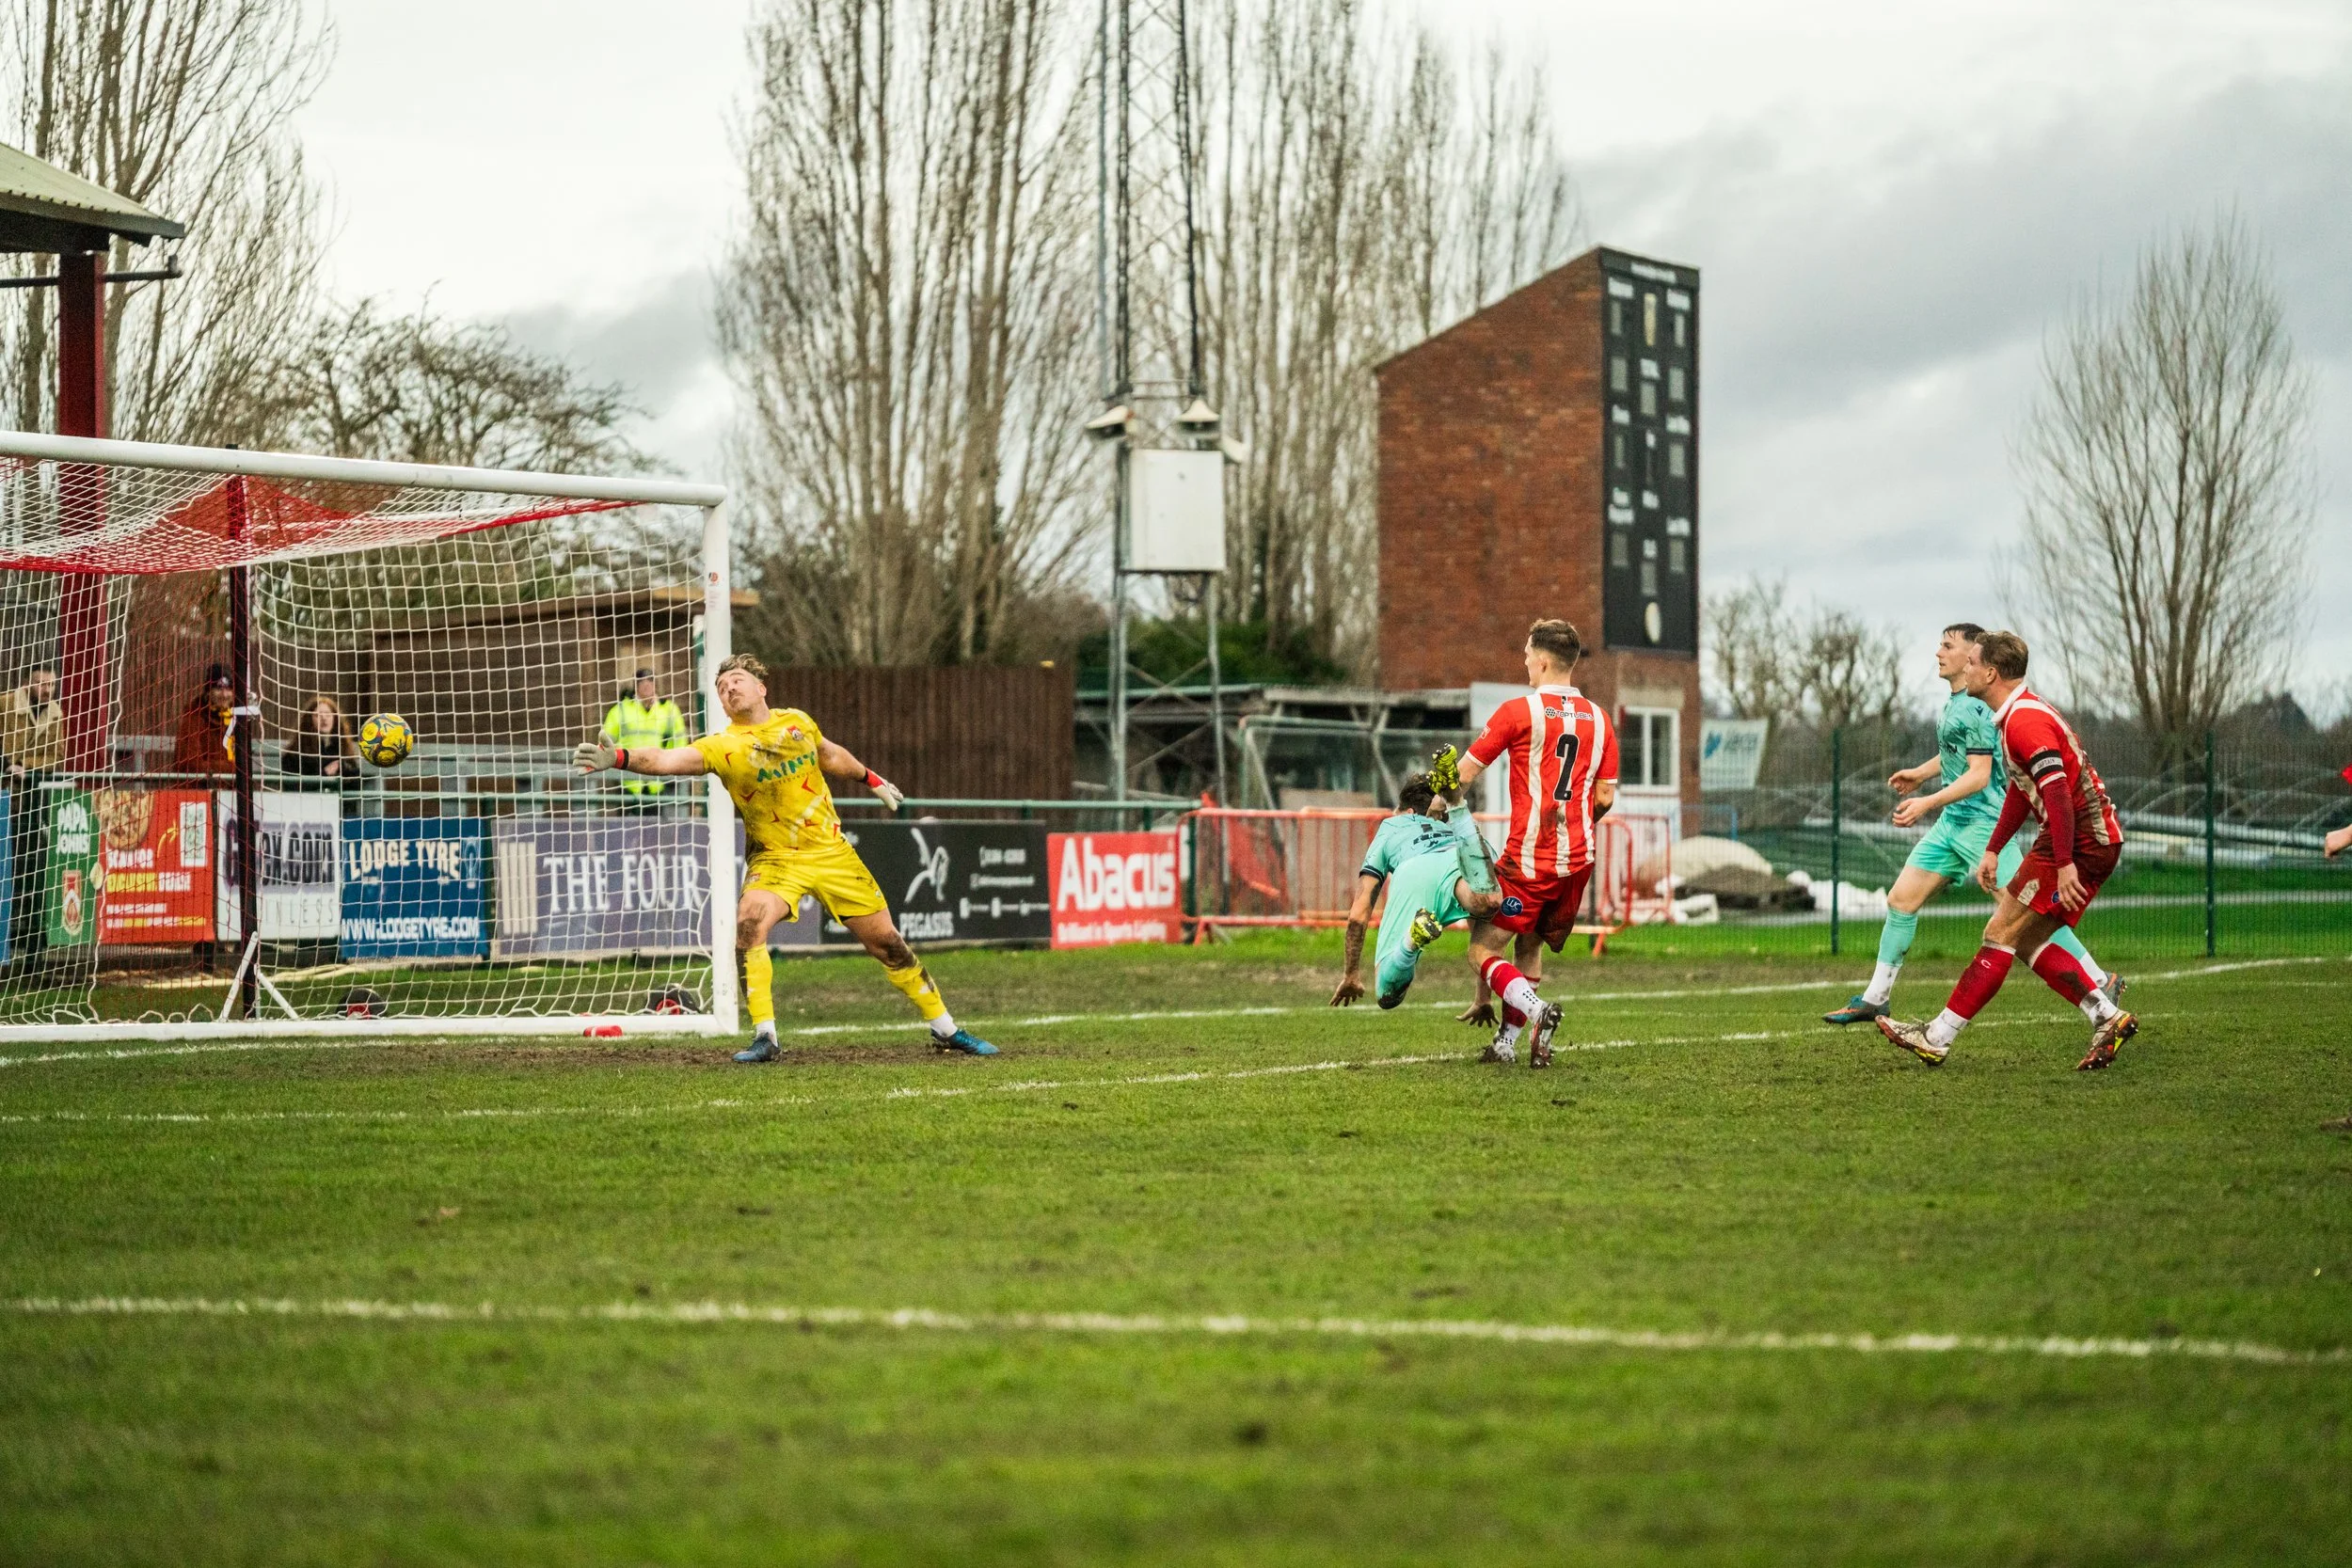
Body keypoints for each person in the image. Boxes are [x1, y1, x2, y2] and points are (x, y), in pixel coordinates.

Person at [573, 651, 996, 1062]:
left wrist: (871, 778)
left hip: (832, 853)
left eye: (735, 681)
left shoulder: (797, 723)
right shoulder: (723, 746)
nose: (728, 689)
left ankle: (945, 1029)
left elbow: (829, 754)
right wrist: (620, 758)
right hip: (775, 860)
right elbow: (667, 759)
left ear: (761, 688)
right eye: (721, 687)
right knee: (749, 925)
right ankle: (765, 1037)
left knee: (889, 946)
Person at [1825, 624, 2120, 1025]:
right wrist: (1921, 773)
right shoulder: (1957, 702)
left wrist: (1926, 800)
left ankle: (2100, 980)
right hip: (1951, 825)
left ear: (1974, 659)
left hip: (1982, 824)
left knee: (2023, 915)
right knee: (1900, 900)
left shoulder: (1981, 707)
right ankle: (1876, 998)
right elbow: (1957, 757)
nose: (1938, 653)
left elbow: (1980, 774)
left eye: (1948, 646)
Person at [1878, 630, 2137, 1070]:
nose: (1966, 667)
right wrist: (1994, 849)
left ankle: (1937, 1037)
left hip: (2080, 841)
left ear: (1990, 672)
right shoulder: (2010, 717)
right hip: (2076, 839)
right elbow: (2022, 790)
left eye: (1973, 661)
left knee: (1999, 934)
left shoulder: (2024, 721)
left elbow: (2055, 793)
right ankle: (2106, 1014)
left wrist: (2066, 864)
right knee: (2024, 938)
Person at [1425, 618, 1618, 1068]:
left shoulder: (1517, 712)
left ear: (1545, 660)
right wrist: (1574, 822)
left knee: (1482, 949)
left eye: (1528, 654)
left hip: (1530, 863)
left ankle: (1536, 1012)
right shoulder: (1601, 719)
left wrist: (1431, 812)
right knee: (1528, 946)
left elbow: (1464, 776)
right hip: (1578, 862)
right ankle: (1508, 1044)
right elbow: (1605, 796)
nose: (1524, 661)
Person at [1330, 772, 1503, 1012]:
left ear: (1409, 812)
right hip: (1460, 857)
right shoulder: (1446, 827)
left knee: (1387, 994)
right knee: (1486, 905)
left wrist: (1351, 974)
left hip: (1415, 871)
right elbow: (1482, 934)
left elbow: (1358, 914)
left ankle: (1411, 942)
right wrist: (1483, 998)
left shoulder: (1392, 825)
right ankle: (1463, 815)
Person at [2, 667, 63, 957]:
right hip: (5, 792)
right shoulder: (6, 704)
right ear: (27, 683)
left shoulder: (56, 714)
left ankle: (29, 941)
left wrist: (25, 765)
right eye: (41, 684)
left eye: (51, 685)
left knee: (30, 865)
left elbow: (57, 756)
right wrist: (6, 764)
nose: (47, 690)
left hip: (32, 798)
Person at [601, 670, 688, 813]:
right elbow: (607, 740)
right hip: (629, 781)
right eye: (642, 682)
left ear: (656, 685)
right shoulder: (621, 710)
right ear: (636, 686)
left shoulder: (668, 710)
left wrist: (673, 765)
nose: (647, 686)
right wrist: (616, 762)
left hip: (657, 780)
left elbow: (680, 740)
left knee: (655, 828)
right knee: (627, 828)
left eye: (650, 681)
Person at [171, 665, 238, 781]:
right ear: (208, 692)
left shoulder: (237, 719)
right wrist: (232, 769)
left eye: (228, 689)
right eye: (218, 689)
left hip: (232, 791)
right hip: (200, 792)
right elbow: (189, 764)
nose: (224, 695)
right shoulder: (194, 719)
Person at [280, 695, 359, 789]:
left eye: (328, 715)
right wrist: (325, 774)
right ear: (309, 719)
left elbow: (354, 786)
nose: (324, 718)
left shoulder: (343, 749)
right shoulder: (295, 752)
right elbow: (292, 786)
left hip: (336, 802)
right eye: (317, 715)